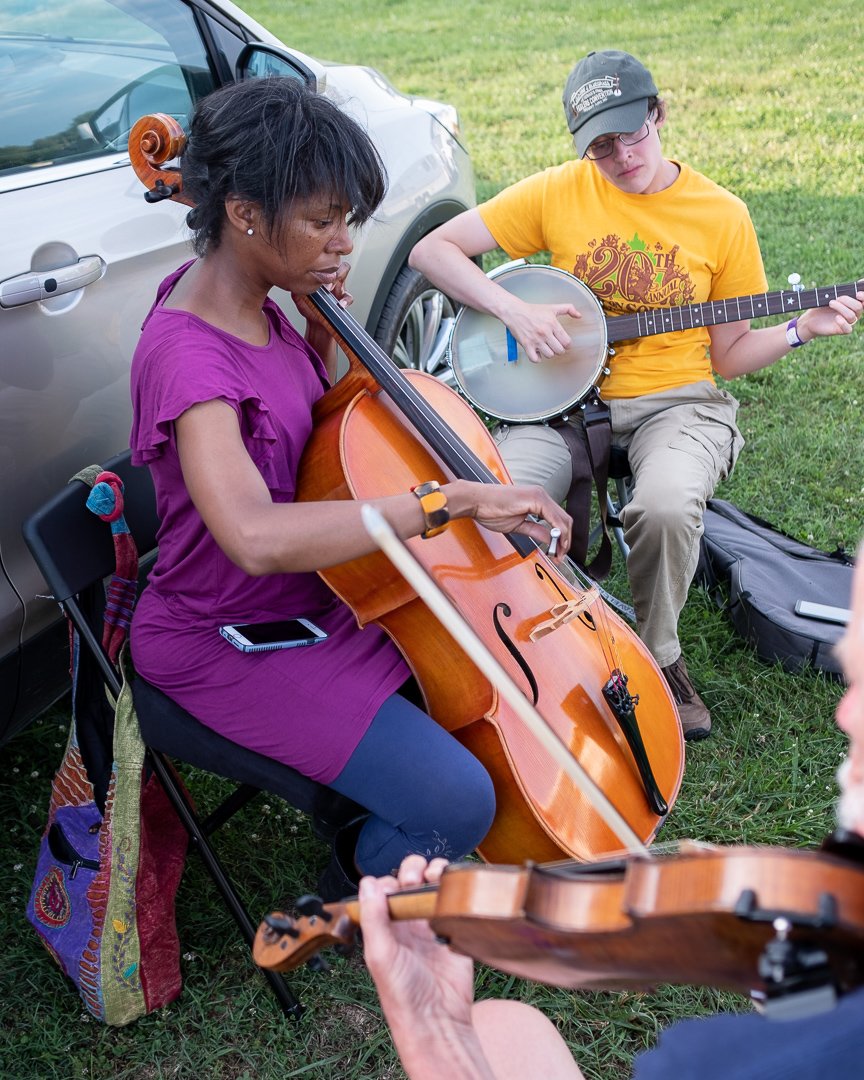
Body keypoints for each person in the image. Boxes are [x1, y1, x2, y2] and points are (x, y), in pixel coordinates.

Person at [128, 77, 571, 897]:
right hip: (226, 636)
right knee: (459, 799)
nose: (343, 243)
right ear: (245, 213)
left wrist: (327, 338)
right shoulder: (188, 357)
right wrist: (449, 502)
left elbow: (307, 441)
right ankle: (344, 901)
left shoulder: (265, 302)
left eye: (346, 221)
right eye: (321, 221)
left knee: (475, 685)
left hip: (321, 597)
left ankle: (368, 802)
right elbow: (254, 538)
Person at [409, 49, 864, 740]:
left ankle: (659, 657)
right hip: (557, 403)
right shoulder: (558, 191)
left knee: (664, 505)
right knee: (495, 498)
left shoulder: (722, 216)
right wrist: (513, 308)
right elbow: (431, 251)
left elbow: (731, 354)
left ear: (659, 113)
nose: (621, 156)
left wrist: (801, 329)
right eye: (600, 146)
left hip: (679, 401)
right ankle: (521, 649)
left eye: (632, 133)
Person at [358, 543, 864, 1078]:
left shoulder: (705, 1065)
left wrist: (434, 1038)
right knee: (506, 1026)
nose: (845, 714)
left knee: (490, 1030)